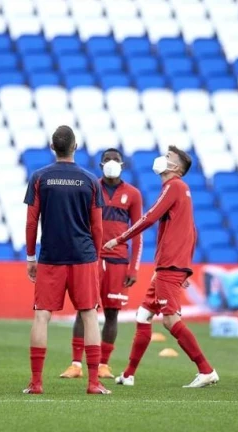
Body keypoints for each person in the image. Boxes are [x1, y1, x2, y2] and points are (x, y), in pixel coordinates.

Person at [109, 147, 218, 388]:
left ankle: (206, 370)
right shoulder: (181, 189)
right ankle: (128, 374)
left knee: (170, 320)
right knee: (143, 315)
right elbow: (192, 230)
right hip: (169, 265)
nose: (163, 159)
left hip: (169, 264)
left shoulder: (174, 186)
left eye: (169, 158)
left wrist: (120, 239)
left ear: (176, 167)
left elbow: (149, 216)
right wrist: (186, 268)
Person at [23, 126, 110, 395]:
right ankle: (93, 383)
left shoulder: (39, 178)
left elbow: (31, 222)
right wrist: (96, 257)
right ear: (75, 146)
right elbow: (97, 227)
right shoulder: (90, 180)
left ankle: (36, 383)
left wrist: (31, 256)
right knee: (90, 316)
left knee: (41, 316)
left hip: (51, 257)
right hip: (83, 257)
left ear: (53, 147)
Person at [60, 148, 142, 380]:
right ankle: (76, 364)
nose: (111, 163)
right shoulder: (90, 187)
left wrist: (134, 267)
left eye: (115, 159)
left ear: (122, 165)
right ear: (101, 165)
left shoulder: (133, 194)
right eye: (107, 159)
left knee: (112, 313)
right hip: (91, 259)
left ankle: (104, 364)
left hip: (119, 261)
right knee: (84, 309)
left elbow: (138, 232)